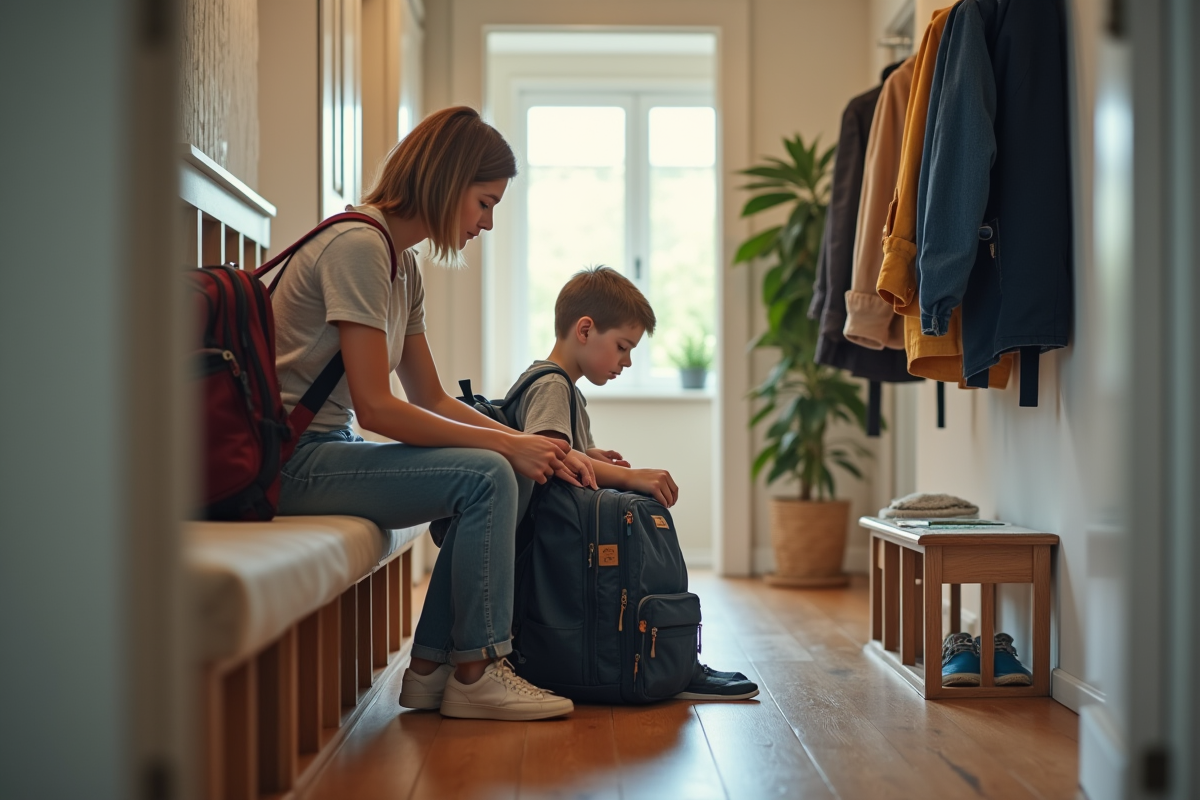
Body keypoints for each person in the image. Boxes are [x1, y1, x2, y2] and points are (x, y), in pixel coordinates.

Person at [272, 106, 595, 721]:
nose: (488, 222)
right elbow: (378, 407)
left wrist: (539, 447)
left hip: (326, 450)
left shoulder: (402, 263)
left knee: (512, 466)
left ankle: (430, 670)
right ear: (448, 181)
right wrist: (508, 448)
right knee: (489, 473)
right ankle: (477, 670)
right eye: (484, 202)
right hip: (291, 463)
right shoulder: (359, 247)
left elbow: (433, 398)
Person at [504, 265, 760, 700]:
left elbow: (565, 455)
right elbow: (550, 452)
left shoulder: (560, 385)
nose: (627, 361)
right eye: (623, 347)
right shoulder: (551, 384)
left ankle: (666, 651)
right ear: (585, 329)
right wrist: (628, 477)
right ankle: (661, 652)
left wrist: (590, 455)